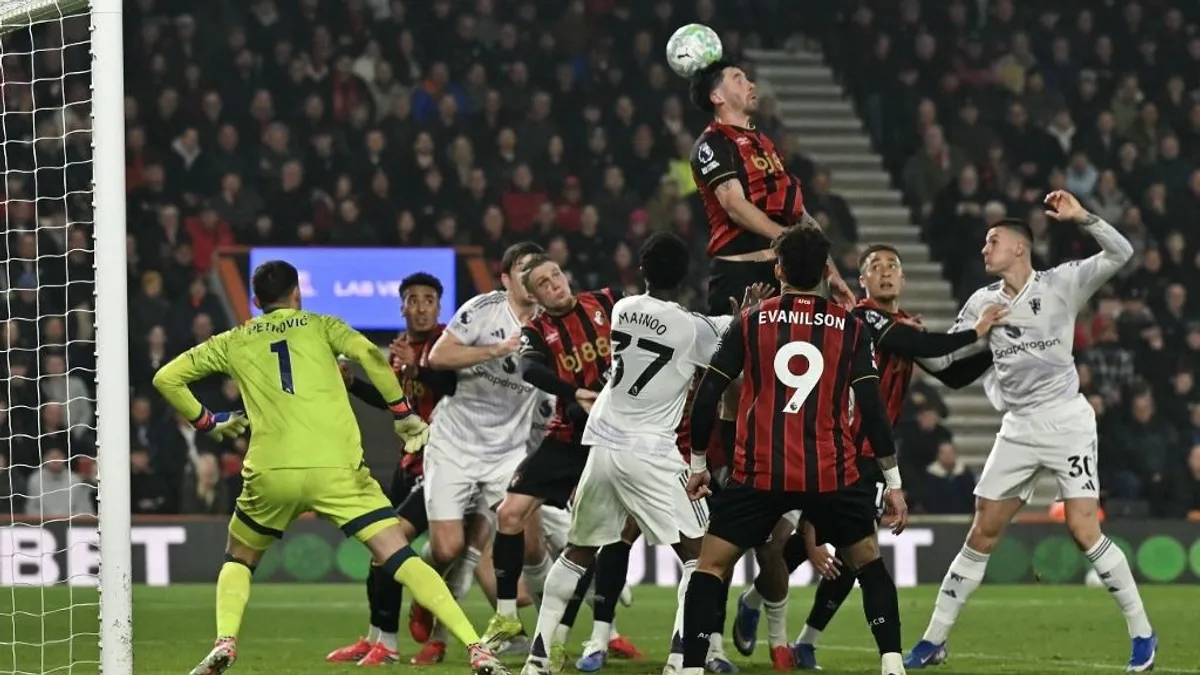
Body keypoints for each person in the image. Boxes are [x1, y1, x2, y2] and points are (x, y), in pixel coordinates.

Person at [154, 260, 505, 675]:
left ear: (255, 301)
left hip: (272, 471)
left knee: (238, 559)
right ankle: (475, 647)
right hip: (337, 469)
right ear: (297, 294)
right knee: (400, 556)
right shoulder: (322, 325)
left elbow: (166, 378)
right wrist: (402, 413)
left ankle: (226, 641)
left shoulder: (234, 339)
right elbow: (371, 357)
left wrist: (208, 422)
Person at [904, 191, 1156, 672]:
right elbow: (941, 361)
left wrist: (1083, 217)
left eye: (992, 240)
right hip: (1017, 427)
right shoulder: (982, 302)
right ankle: (934, 640)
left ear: (1020, 247)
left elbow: (1122, 253)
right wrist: (945, 333)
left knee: (1083, 528)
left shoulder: (1062, 283)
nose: (984, 249)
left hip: (1065, 421)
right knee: (982, 532)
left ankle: (1143, 634)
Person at [732, 245, 1004, 668]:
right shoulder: (859, 319)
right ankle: (756, 600)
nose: (885, 273)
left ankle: (802, 639)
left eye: (892, 266)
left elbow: (949, 373)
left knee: (853, 554)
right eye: (874, 267)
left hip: (870, 457)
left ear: (904, 278)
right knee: (802, 545)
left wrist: (998, 351)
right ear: (861, 281)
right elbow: (918, 343)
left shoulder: (905, 325)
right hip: (830, 444)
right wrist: (977, 331)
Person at [517, 234, 753, 675]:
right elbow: (726, 339)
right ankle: (682, 660)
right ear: (685, 275)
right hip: (649, 450)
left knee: (578, 551)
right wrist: (743, 315)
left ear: (642, 272)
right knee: (701, 558)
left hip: (603, 444)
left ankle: (539, 658)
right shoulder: (690, 326)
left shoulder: (623, 310)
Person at [682, 226, 911, 675]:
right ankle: (892, 663)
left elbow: (709, 394)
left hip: (759, 472)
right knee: (868, 562)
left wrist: (698, 465)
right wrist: (894, 483)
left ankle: (691, 666)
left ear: (779, 268)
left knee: (709, 566)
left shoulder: (749, 321)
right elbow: (873, 409)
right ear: (825, 273)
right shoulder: (850, 327)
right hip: (832, 472)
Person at [688, 60, 855, 670]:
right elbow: (732, 206)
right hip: (742, 269)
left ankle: (777, 491)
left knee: (807, 383)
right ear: (715, 94)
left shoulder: (765, 145)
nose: (750, 84)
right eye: (738, 78)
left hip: (789, 268)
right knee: (735, 379)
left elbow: (801, 217)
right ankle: (727, 475)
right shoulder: (713, 144)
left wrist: (830, 273)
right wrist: (783, 250)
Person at [483, 255, 631, 662]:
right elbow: (530, 369)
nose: (555, 285)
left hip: (615, 441)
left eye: (557, 276)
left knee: (595, 539)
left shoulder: (608, 301)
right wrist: (574, 392)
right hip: (566, 439)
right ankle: (508, 615)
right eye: (544, 284)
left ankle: (574, 635)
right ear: (534, 296)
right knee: (509, 514)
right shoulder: (536, 329)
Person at [408, 242, 547, 663]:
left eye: (536, 269)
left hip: (507, 451)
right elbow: (439, 355)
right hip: (454, 444)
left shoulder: (551, 323)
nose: (531, 276)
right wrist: (496, 350)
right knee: (448, 549)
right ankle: (421, 590)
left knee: (530, 546)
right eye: (522, 269)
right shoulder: (483, 310)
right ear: (505, 279)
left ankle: (542, 638)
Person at [326, 271, 454, 666]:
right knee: (379, 548)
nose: (420, 307)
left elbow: (452, 385)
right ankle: (376, 637)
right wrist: (351, 384)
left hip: (443, 465)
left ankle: (394, 645)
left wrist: (418, 369)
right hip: (409, 462)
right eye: (412, 299)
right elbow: (393, 402)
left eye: (428, 299)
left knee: (394, 544)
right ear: (400, 305)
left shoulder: (449, 344)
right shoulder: (401, 351)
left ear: (438, 305)